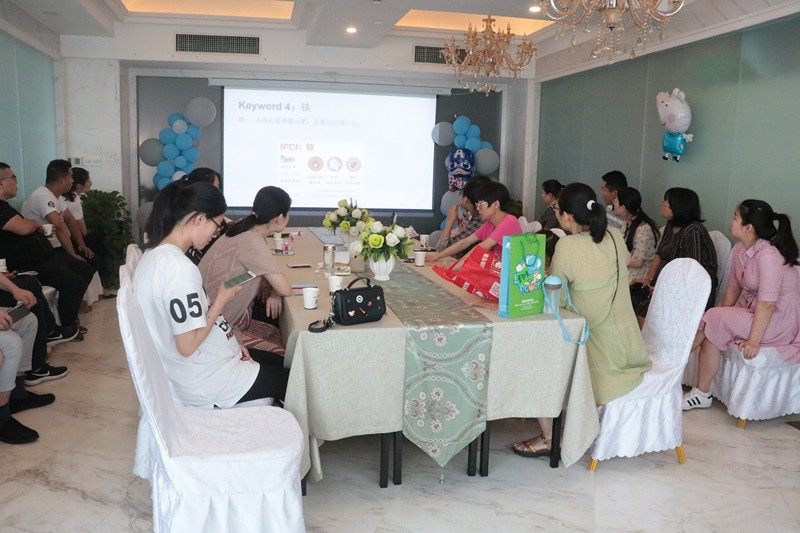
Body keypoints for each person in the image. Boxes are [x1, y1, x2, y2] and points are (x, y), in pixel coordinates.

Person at [512, 183, 651, 457]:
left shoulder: (568, 245)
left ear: (566, 216)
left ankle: (551, 437)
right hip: (629, 344)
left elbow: (558, 301)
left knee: (534, 355)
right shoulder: (614, 235)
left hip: (595, 349)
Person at [135, 180, 288, 408]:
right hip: (207, 380)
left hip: (208, 363)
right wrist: (222, 300)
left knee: (281, 366)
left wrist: (231, 344)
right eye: (216, 225)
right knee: (294, 380)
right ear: (199, 219)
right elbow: (187, 345)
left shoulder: (154, 257)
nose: (216, 233)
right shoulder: (178, 270)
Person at [683, 200, 800, 410]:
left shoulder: (769, 255)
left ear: (749, 227)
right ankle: (701, 393)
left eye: (735, 218)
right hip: (755, 312)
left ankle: (670, 366)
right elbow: (733, 288)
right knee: (713, 327)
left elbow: (767, 304)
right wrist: (722, 314)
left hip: (778, 320)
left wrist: (753, 341)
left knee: (714, 318)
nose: (731, 221)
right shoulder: (740, 249)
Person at [198, 186, 292, 355]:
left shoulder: (242, 228)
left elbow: (254, 276)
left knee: (281, 336)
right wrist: (276, 292)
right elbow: (285, 288)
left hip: (212, 317)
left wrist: (273, 292)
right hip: (219, 327)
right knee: (286, 352)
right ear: (280, 218)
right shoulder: (252, 240)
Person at [0, 162, 89, 339]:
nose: (17, 182)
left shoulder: (5, 206)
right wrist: (34, 224)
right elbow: (24, 228)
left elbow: (68, 220)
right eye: (13, 178)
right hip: (25, 263)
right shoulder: (4, 208)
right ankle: (64, 327)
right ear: (1, 184)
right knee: (73, 281)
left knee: (82, 269)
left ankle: (63, 324)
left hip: (38, 256)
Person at [631, 187, 717, 322]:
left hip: (690, 293)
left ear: (678, 207)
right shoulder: (670, 226)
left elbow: (693, 273)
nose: (662, 203)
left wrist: (665, 289)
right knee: (629, 294)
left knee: (646, 307)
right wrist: (649, 279)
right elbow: (659, 254)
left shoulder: (693, 231)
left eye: (666, 201)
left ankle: (642, 335)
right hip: (665, 285)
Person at [429, 181, 521, 262]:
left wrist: (456, 266)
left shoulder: (509, 222)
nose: (478, 208)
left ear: (496, 204)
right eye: (477, 204)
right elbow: (464, 242)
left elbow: (481, 247)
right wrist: (436, 257)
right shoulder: (489, 223)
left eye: (481, 204)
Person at [435, 176, 490, 257]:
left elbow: (443, 248)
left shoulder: (479, 221)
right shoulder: (472, 218)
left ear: (466, 199)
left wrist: (450, 220)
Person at [613, 187, 659, 283]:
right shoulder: (627, 223)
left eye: (616, 201)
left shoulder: (643, 230)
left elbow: (638, 262)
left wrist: (614, 260)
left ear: (623, 207)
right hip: (627, 269)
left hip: (638, 276)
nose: (613, 203)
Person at [62, 167, 104, 270]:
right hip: (70, 240)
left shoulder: (62, 197)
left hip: (66, 238)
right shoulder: (74, 199)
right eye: (88, 181)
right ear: (79, 186)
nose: (90, 183)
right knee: (97, 240)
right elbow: (83, 231)